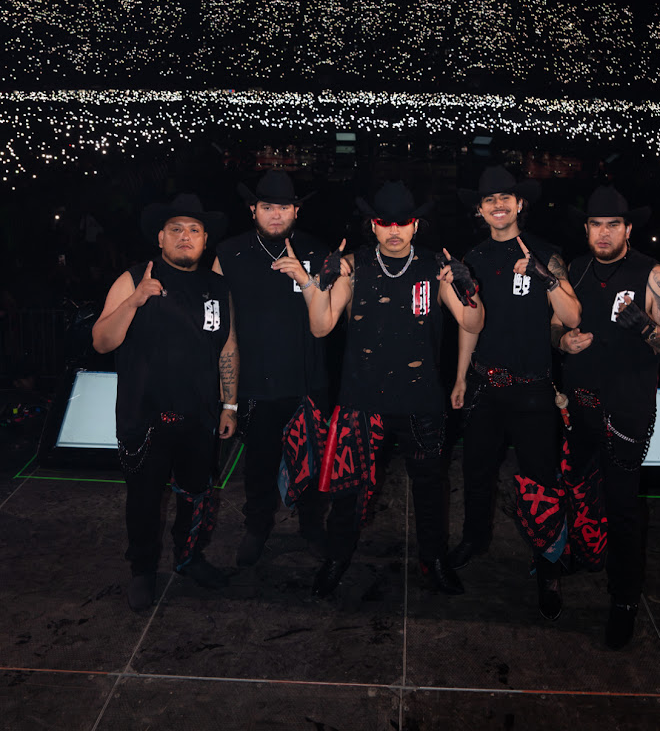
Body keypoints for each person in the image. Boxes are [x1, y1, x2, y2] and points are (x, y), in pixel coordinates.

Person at [307, 181, 485, 597]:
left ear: (415, 225)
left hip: (421, 397)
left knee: (429, 486)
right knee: (348, 488)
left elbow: (472, 322)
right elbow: (321, 326)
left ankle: (433, 559)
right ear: (372, 225)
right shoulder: (353, 265)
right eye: (385, 223)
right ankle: (337, 557)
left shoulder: (436, 266)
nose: (393, 231)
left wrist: (468, 287)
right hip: (361, 396)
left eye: (402, 223)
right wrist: (321, 282)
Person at [550, 184, 660, 649]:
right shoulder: (575, 269)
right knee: (575, 490)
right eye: (597, 224)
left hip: (625, 411)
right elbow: (556, 324)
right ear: (586, 228)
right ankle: (580, 554)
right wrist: (562, 341)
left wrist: (647, 328)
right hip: (579, 406)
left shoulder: (653, 275)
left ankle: (624, 600)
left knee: (623, 507)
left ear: (628, 229)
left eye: (613, 225)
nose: (604, 233)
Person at [92, 194, 238, 612]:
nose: (185, 236)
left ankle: (189, 558)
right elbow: (101, 342)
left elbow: (227, 346)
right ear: (160, 238)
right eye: (176, 229)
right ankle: (142, 570)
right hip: (145, 416)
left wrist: (229, 405)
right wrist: (134, 300)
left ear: (205, 239)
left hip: (199, 415)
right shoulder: (134, 278)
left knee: (197, 494)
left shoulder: (217, 287)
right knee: (144, 499)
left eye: (194, 230)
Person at [449, 166, 581, 621]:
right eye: (489, 199)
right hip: (486, 386)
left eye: (506, 197)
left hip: (533, 391)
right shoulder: (474, 257)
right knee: (476, 471)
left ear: (520, 204)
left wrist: (546, 277)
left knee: (542, 481)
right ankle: (473, 539)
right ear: (480, 209)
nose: (498, 205)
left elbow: (573, 316)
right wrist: (460, 378)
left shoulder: (546, 253)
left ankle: (548, 564)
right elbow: (469, 323)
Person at [213, 170, 328, 566]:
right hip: (254, 383)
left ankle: (312, 527)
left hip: (306, 381)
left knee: (311, 463)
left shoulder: (317, 251)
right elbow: (217, 321)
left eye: (283, 207)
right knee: (258, 466)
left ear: (296, 211)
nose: (275, 214)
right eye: (267, 207)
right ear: (253, 210)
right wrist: (226, 398)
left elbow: (329, 317)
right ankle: (257, 528)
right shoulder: (229, 253)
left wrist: (308, 279)